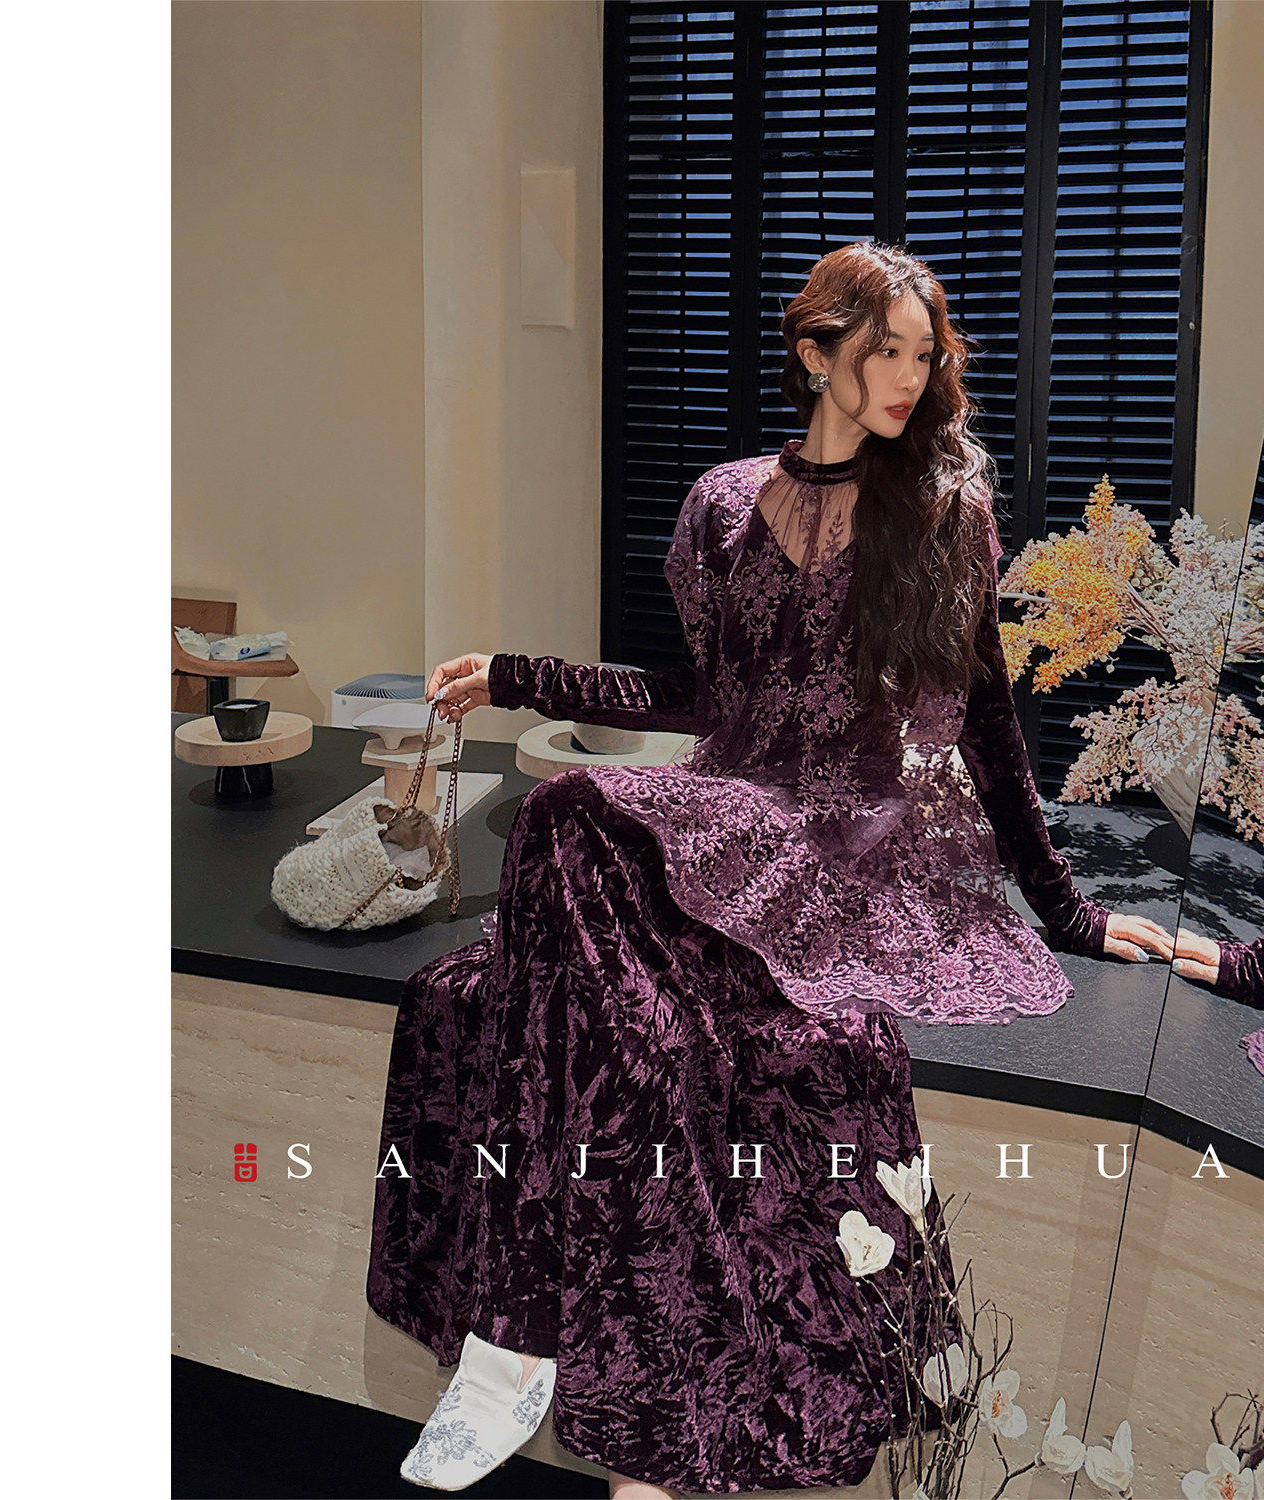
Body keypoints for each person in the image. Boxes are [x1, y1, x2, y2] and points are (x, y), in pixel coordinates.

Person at [366, 242, 1174, 1499]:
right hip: (730, 816)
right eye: (883, 351)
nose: (908, 377)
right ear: (815, 352)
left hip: (849, 843)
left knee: (571, 856)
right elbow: (698, 696)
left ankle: (529, 1344)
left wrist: (1064, 906)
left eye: (924, 355)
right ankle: (539, 1356)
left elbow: (988, 714)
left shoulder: (943, 510)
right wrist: (518, 674)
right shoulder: (724, 504)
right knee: (573, 852)